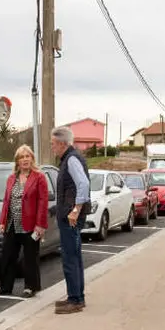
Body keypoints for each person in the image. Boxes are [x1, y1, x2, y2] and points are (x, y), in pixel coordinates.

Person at [0, 145, 48, 298]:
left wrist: (40, 225)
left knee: (30, 257)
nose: (25, 159)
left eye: (27, 156)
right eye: (22, 157)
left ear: (32, 159)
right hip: (12, 224)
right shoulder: (11, 178)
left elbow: (43, 202)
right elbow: (6, 201)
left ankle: (30, 287)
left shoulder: (39, 177)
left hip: (30, 224)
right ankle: (4, 286)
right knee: (8, 255)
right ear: (17, 161)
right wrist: (2, 221)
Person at [50, 127, 90, 314]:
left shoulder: (71, 159)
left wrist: (76, 210)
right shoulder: (70, 158)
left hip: (70, 217)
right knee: (74, 257)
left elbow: (83, 184)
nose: (52, 147)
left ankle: (75, 300)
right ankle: (76, 296)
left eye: (53, 144)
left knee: (70, 258)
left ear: (62, 143)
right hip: (68, 214)